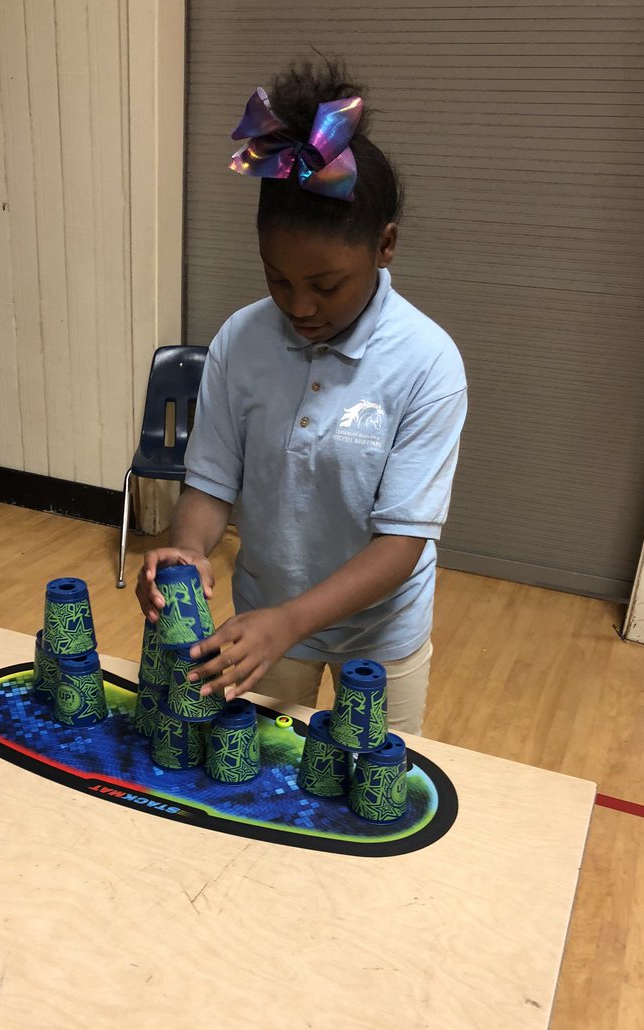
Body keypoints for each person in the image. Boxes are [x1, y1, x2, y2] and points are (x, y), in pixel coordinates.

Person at [136, 60, 467, 735]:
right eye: (278, 279)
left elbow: (401, 543)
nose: (300, 306)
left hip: (379, 630)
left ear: (386, 247)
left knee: (368, 787)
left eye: (326, 283)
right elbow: (209, 483)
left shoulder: (428, 363)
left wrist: (292, 622)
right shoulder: (242, 339)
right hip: (262, 611)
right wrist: (191, 550)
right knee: (248, 773)